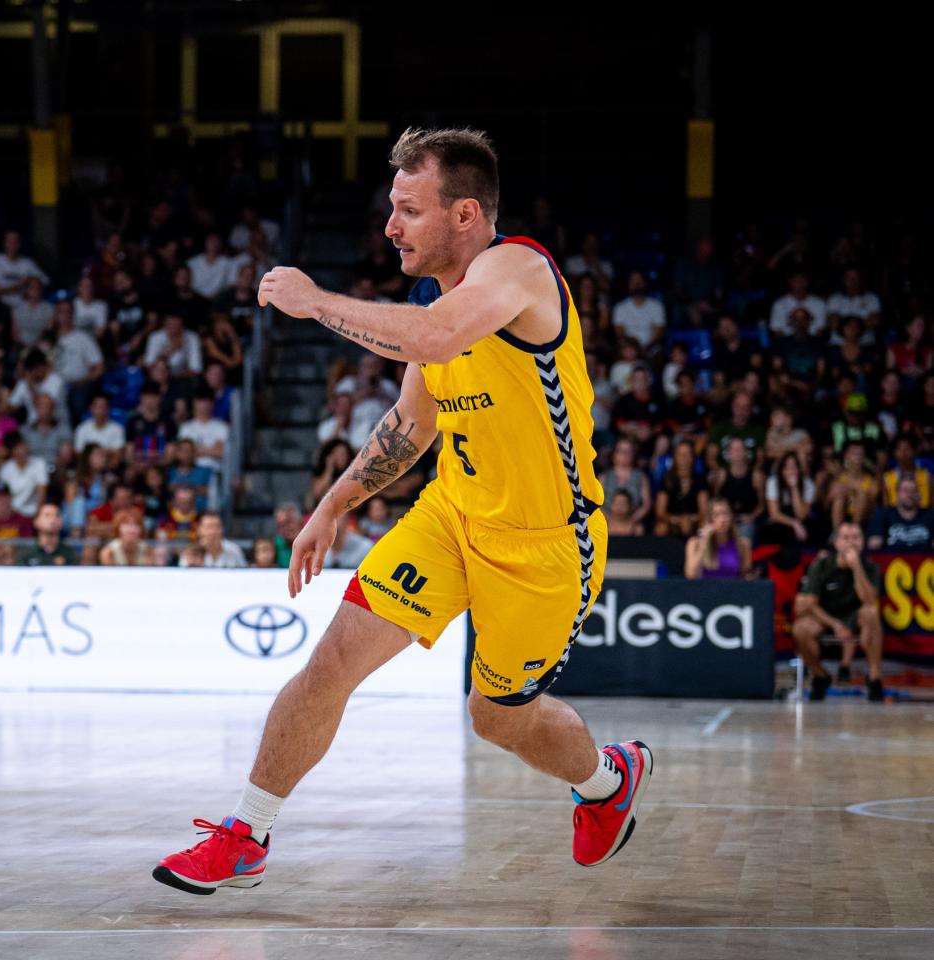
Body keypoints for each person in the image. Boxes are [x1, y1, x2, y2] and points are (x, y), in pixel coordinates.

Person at [155, 129, 647, 896]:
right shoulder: (431, 297)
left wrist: (316, 303)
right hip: (451, 512)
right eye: (392, 208)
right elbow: (412, 426)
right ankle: (246, 834)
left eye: (408, 209)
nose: (390, 226)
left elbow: (440, 336)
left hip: (546, 542)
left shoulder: (518, 268)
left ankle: (605, 782)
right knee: (332, 663)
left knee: (497, 717)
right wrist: (332, 506)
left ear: (465, 215)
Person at [792, 522, 884, 701]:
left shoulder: (870, 566)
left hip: (856, 617)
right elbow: (808, 604)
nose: (851, 543)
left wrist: (857, 568)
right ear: (836, 543)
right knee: (800, 628)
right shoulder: (822, 565)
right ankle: (820, 675)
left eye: (856, 538)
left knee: (871, 613)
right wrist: (835, 625)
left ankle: (874, 678)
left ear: (863, 542)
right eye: (846, 538)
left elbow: (869, 600)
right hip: (826, 617)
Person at [684, 499, 752, 579]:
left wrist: (751, 575)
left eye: (725, 514)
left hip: (732, 589)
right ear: (709, 520)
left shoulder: (743, 544)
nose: (722, 519)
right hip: (705, 589)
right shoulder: (694, 543)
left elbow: (746, 577)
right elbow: (690, 575)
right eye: (716, 515)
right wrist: (704, 543)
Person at [867, 476, 934, 550]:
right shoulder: (882, 514)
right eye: (905, 491)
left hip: (926, 561)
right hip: (890, 560)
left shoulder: (930, 515)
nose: (909, 494)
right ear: (897, 494)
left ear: (919, 494)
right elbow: (873, 545)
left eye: (913, 491)